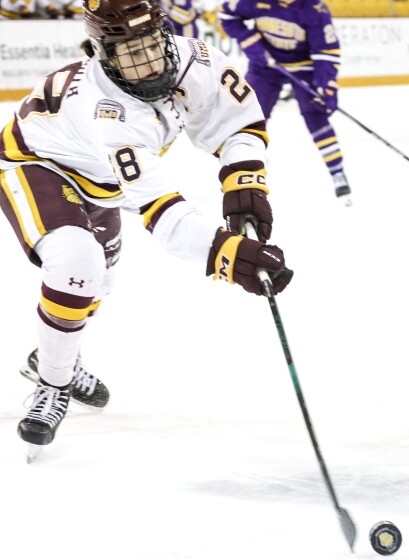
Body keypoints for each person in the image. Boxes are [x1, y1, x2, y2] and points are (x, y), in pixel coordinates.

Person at [0, 0, 292, 456]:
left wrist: (244, 182)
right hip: (35, 165)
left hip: (102, 181)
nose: (149, 63)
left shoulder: (196, 59)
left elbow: (241, 121)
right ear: (102, 53)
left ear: (165, 32)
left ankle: (54, 352)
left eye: (153, 44)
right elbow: (167, 218)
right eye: (129, 53)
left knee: (99, 282)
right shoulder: (105, 111)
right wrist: (231, 255)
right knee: (78, 264)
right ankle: (52, 383)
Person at [218, 0, 352, 205]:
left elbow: (325, 52)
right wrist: (252, 44)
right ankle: (243, 165)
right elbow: (227, 16)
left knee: (316, 116)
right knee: (249, 115)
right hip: (266, 64)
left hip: (304, 66)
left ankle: (337, 172)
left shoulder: (314, 8)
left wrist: (327, 86)